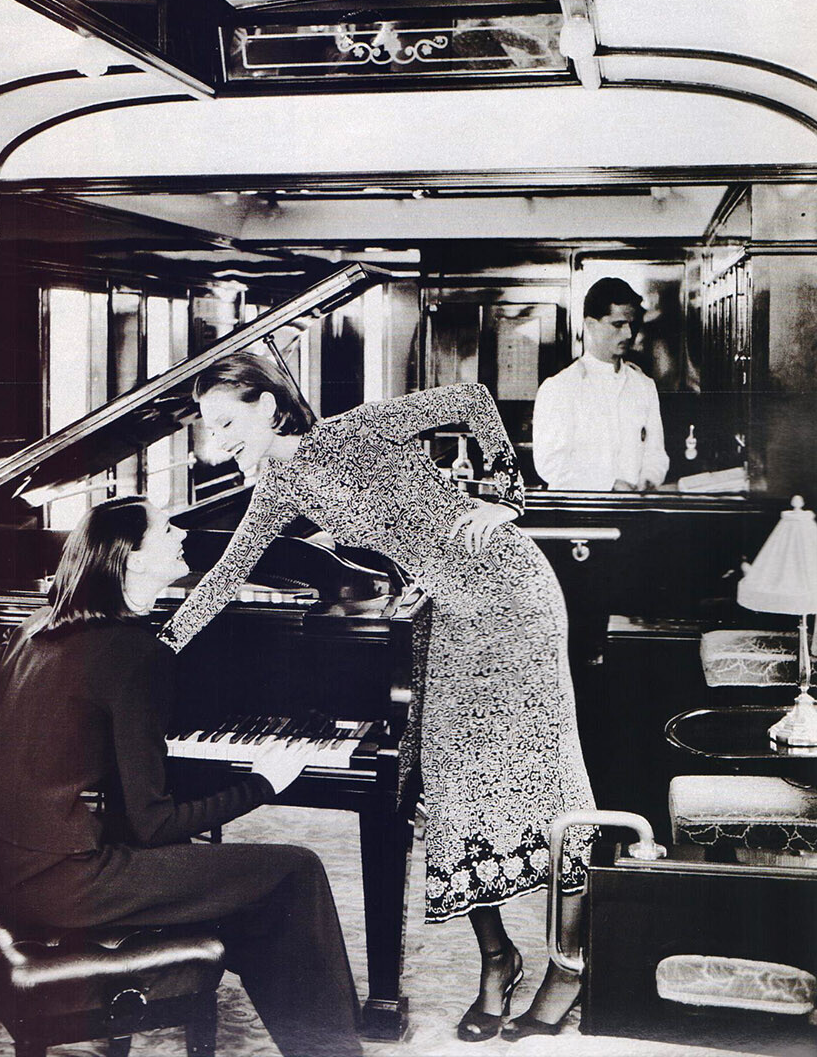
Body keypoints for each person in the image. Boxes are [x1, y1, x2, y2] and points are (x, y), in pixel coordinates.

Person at [157, 352, 595, 1042]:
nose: (219, 442)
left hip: (512, 596)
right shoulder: (278, 490)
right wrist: (153, 650)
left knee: (548, 777)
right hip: (445, 616)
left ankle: (570, 965)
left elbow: (474, 399)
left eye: (228, 423)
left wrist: (508, 497)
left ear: (268, 406)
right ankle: (498, 958)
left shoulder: (353, 429)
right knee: (449, 788)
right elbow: (223, 577)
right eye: (209, 430)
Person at [0, 496, 362, 1057]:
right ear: (132, 559)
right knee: (294, 870)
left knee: (241, 888)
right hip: (56, 884)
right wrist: (264, 783)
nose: (181, 534)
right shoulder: (136, 653)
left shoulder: (38, 623)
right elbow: (153, 825)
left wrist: (48, 744)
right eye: (165, 530)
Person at [532, 277, 670, 492]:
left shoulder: (643, 386)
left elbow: (656, 453)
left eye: (631, 324)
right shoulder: (559, 388)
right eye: (618, 324)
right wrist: (608, 485)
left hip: (634, 506)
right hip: (580, 508)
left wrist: (649, 479)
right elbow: (550, 463)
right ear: (590, 325)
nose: (628, 334)